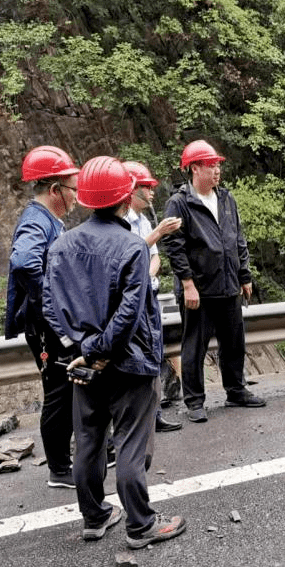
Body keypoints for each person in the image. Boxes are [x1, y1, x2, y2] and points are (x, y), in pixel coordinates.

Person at [42, 156, 186, 548]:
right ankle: (141, 524)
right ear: (125, 197)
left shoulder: (61, 244)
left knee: (88, 440)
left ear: (85, 198)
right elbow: (131, 310)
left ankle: (95, 516)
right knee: (131, 444)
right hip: (129, 361)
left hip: (84, 364)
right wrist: (101, 349)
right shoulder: (132, 247)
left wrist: (81, 348)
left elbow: (49, 305)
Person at [161, 140, 264, 423]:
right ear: (194, 168)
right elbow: (174, 246)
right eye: (210, 165)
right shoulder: (180, 203)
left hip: (228, 283)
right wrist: (187, 283)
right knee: (195, 346)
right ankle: (194, 401)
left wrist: (245, 275)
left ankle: (236, 390)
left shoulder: (226, 198)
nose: (216, 171)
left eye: (218, 165)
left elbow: (237, 239)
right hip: (199, 289)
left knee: (234, 342)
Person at [4, 146, 81, 489]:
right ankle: (60, 470)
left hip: (51, 323)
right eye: (72, 189)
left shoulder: (49, 221)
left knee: (67, 388)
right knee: (58, 392)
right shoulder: (37, 221)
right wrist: (51, 302)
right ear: (55, 191)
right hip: (48, 328)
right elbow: (23, 262)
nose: (77, 197)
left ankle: (73, 459)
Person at [122, 160, 184, 433]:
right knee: (137, 358)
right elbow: (128, 252)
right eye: (146, 187)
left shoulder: (144, 220)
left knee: (155, 354)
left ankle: (155, 414)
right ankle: (137, 420)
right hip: (132, 299)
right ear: (132, 189)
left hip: (149, 293)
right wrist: (160, 232)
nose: (151, 193)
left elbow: (154, 255)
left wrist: (146, 277)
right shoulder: (122, 221)